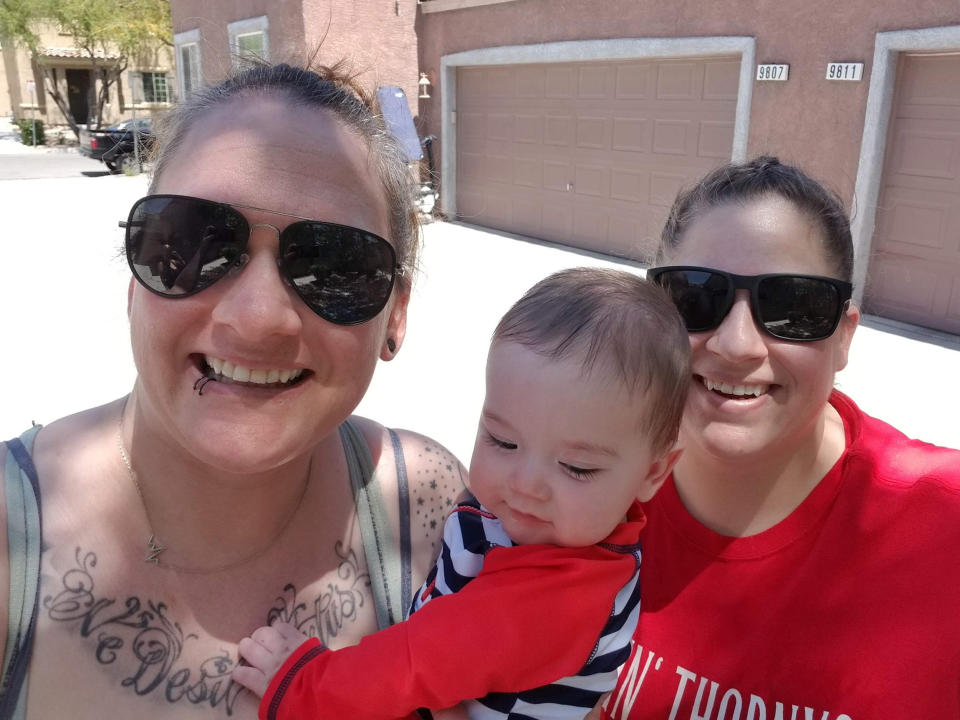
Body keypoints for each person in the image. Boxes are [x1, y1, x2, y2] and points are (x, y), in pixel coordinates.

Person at [0, 62, 467, 720]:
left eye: (333, 263)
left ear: (395, 316)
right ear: (135, 279)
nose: (257, 318)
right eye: (192, 242)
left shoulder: (429, 500)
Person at [230, 267, 691, 720]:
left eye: (577, 468)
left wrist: (302, 683)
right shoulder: (566, 526)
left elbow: (414, 665)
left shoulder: (555, 599)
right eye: (502, 441)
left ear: (654, 472)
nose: (525, 484)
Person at [601, 156, 960, 720]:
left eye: (793, 306)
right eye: (696, 296)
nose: (737, 344)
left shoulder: (944, 524)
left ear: (845, 337)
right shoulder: (579, 472)